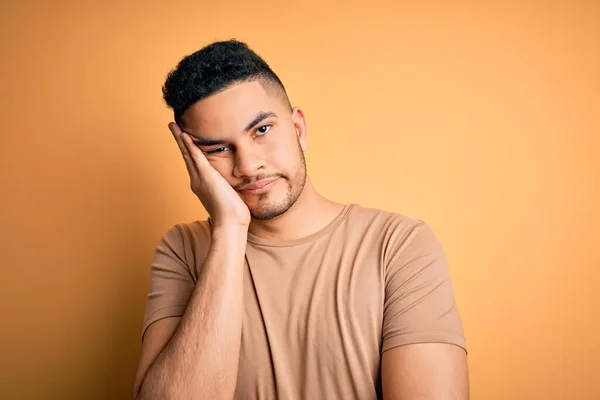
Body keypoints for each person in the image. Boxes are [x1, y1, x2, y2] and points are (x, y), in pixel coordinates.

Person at [132, 39, 469, 400]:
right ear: (193, 159)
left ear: (298, 128)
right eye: (219, 149)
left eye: (261, 130)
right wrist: (229, 230)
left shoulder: (398, 245)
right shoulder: (183, 251)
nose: (247, 166)